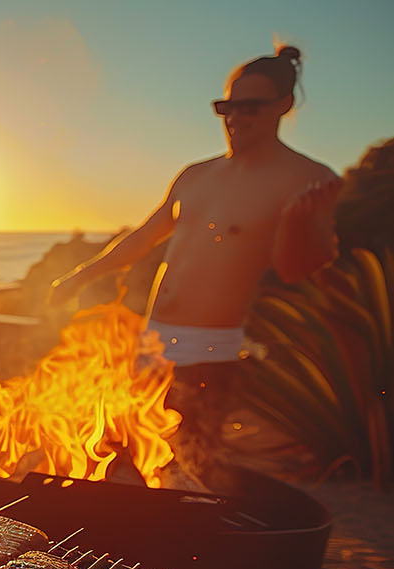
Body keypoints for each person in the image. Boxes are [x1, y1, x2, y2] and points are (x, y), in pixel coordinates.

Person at [50, 46, 342, 471]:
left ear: (284, 105)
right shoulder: (195, 175)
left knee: (191, 464)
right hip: (154, 339)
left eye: (250, 108)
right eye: (226, 107)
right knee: (127, 455)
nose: (235, 119)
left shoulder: (309, 179)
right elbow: (145, 237)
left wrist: (303, 223)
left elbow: (296, 269)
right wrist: (77, 276)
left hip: (213, 349)